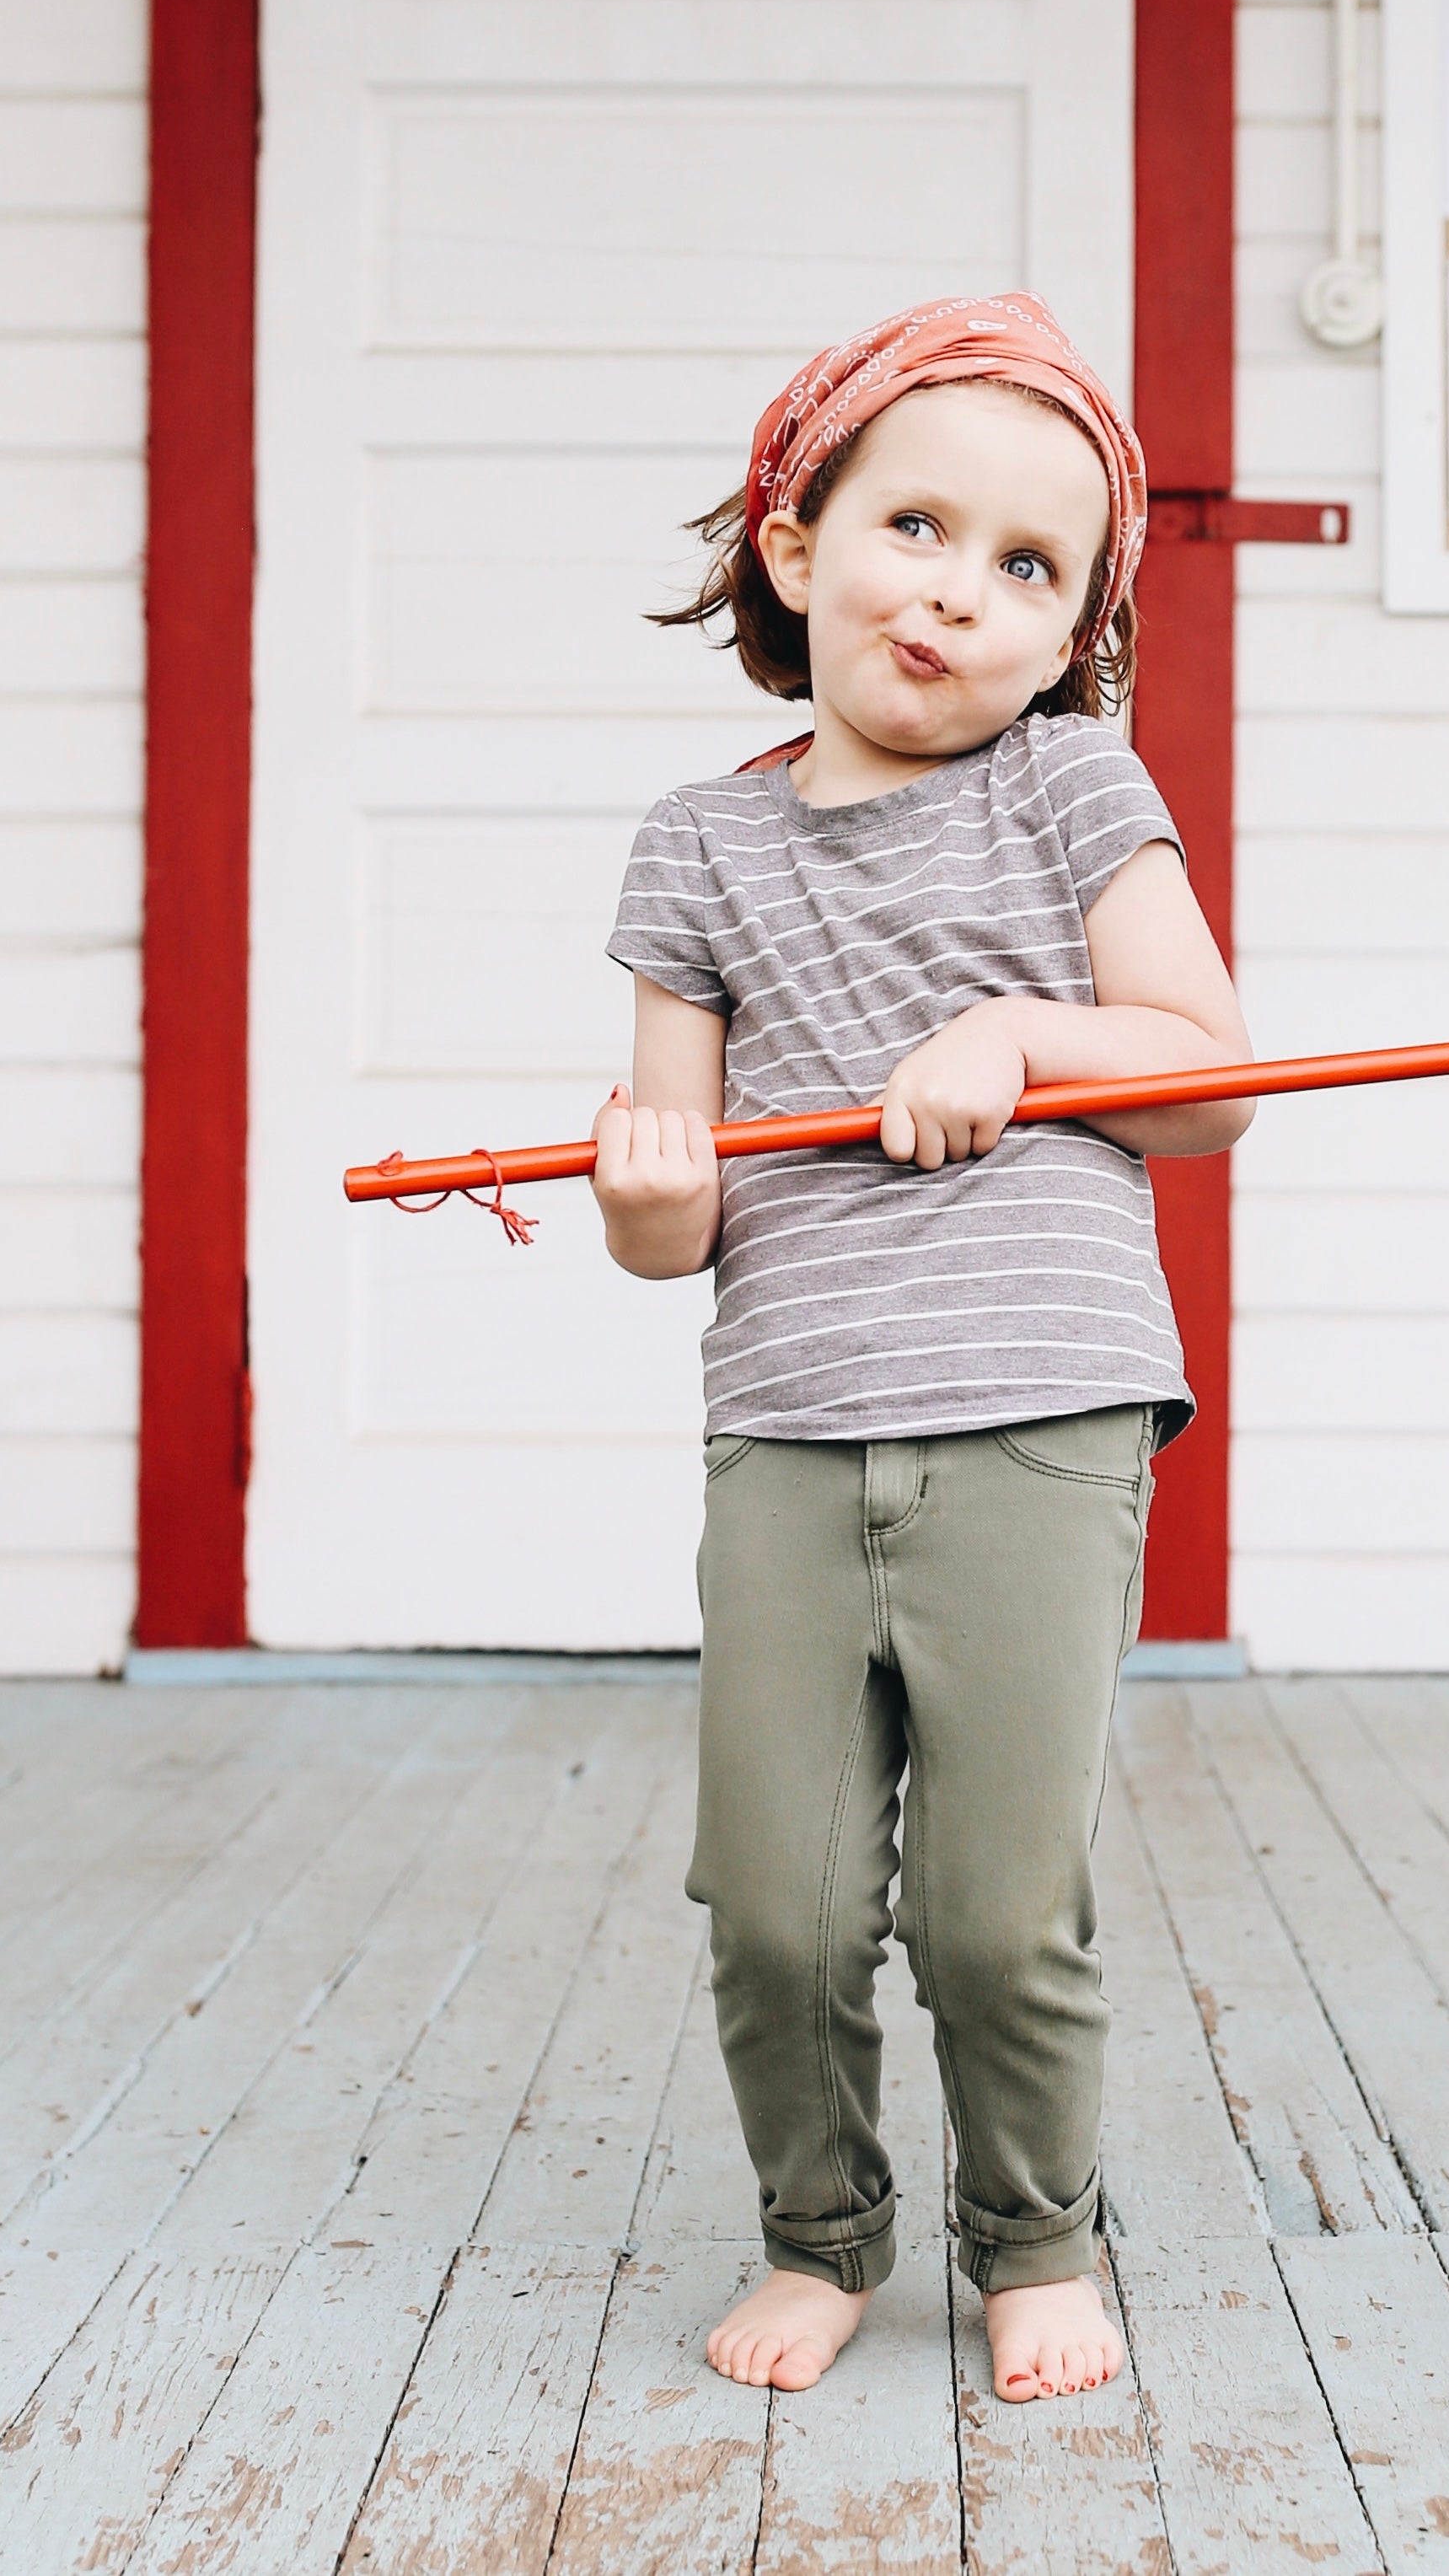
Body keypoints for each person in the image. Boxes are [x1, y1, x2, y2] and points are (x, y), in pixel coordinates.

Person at [593, 295, 1253, 2402]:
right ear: (797, 545)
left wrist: (1020, 1037)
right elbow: (672, 1215)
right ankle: (820, 2234)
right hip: (790, 1417)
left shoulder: (1069, 793)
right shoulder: (698, 844)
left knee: (993, 1902)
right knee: (777, 1901)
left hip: (1040, 1413)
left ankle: (1032, 2240)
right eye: (917, 527)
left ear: (1073, 638)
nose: (959, 591)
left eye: (1029, 568)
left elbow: (1207, 1080)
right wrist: (639, 1186)